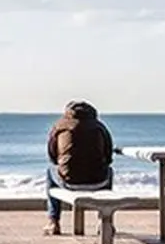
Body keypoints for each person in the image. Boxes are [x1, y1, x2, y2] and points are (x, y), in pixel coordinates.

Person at [44, 100, 114, 235]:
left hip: (69, 181)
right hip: (98, 182)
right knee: (109, 171)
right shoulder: (100, 127)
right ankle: (104, 220)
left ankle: (53, 221)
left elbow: (52, 157)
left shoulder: (60, 126)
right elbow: (108, 156)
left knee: (50, 172)